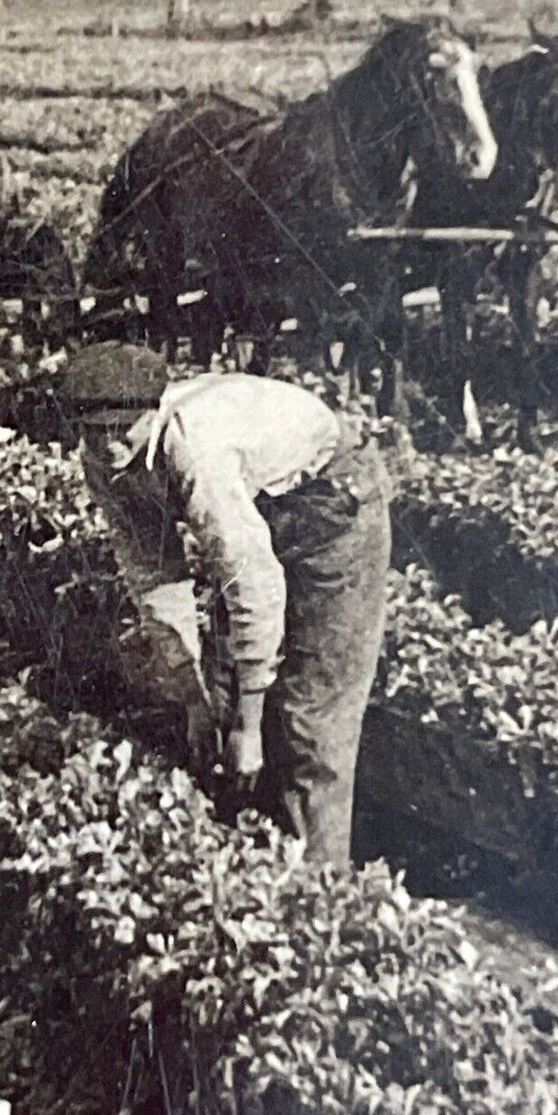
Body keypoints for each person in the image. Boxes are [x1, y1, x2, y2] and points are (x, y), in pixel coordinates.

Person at [57, 343, 392, 866]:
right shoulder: (104, 461)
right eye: (92, 429)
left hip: (333, 503)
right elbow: (154, 579)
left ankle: (320, 891)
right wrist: (193, 699)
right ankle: (243, 861)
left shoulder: (197, 448)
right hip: (260, 502)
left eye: (121, 427)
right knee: (222, 692)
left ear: (154, 410)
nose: (107, 444)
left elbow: (252, 581)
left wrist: (249, 728)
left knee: (309, 717)